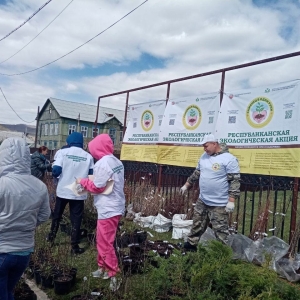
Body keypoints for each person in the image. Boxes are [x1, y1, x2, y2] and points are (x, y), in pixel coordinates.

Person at [0, 137, 50, 299]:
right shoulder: (39, 186)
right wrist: (26, 224)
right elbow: (44, 215)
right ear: (26, 157)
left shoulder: (2, 184)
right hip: (24, 252)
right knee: (8, 291)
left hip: (2, 249)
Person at [76, 134, 125, 292]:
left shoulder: (102, 163)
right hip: (114, 206)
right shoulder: (116, 161)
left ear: (97, 148)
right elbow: (107, 182)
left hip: (108, 208)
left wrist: (83, 182)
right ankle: (102, 267)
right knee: (102, 239)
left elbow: (97, 186)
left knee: (105, 243)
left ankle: (114, 273)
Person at [180, 134, 240, 250]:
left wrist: (231, 200)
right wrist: (187, 185)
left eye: (206, 146)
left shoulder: (229, 159)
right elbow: (197, 173)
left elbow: (235, 180)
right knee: (197, 224)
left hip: (219, 203)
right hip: (203, 200)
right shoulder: (204, 157)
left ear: (214, 144)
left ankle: (222, 253)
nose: (204, 149)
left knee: (220, 230)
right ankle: (191, 246)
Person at [47, 132, 94, 254]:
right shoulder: (88, 156)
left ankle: (51, 238)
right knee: (76, 219)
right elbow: (91, 176)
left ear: (69, 142)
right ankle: (74, 246)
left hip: (63, 190)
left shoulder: (62, 153)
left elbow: (56, 171)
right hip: (79, 191)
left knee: (57, 216)